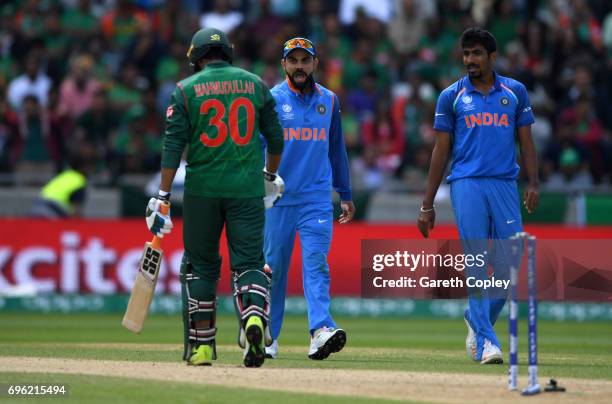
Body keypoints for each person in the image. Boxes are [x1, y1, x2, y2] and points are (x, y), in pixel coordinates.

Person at [146, 27, 284, 368]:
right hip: (247, 190)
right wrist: (267, 176)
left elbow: (172, 148)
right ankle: (253, 318)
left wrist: (162, 196)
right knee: (250, 264)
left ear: (196, 58)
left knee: (200, 267)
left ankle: (202, 348)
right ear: (228, 54)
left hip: (201, 192)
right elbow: (276, 139)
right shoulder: (255, 84)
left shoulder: (184, 89)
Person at [417, 28, 539, 364]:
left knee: (509, 266)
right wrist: (427, 205)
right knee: (475, 264)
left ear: (492, 57)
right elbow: (440, 152)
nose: (470, 60)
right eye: (466, 54)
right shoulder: (451, 96)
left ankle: (477, 318)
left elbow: (526, 142)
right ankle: (487, 343)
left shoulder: (515, 92)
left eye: (477, 54)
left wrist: (534, 182)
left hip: (504, 184)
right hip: (467, 183)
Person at [263, 37, 355, 360]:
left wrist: (345, 193)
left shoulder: (329, 101)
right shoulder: (271, 99)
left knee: (316, 264)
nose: (299, 66)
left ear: (315, 63)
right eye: (293, 61)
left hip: (316, 199)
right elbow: (257, 148)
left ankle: (320, 330)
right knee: (273, 270)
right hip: (278, 198)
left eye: (305, 60)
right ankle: (269, 337)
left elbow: (336, 149)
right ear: (284, 65)